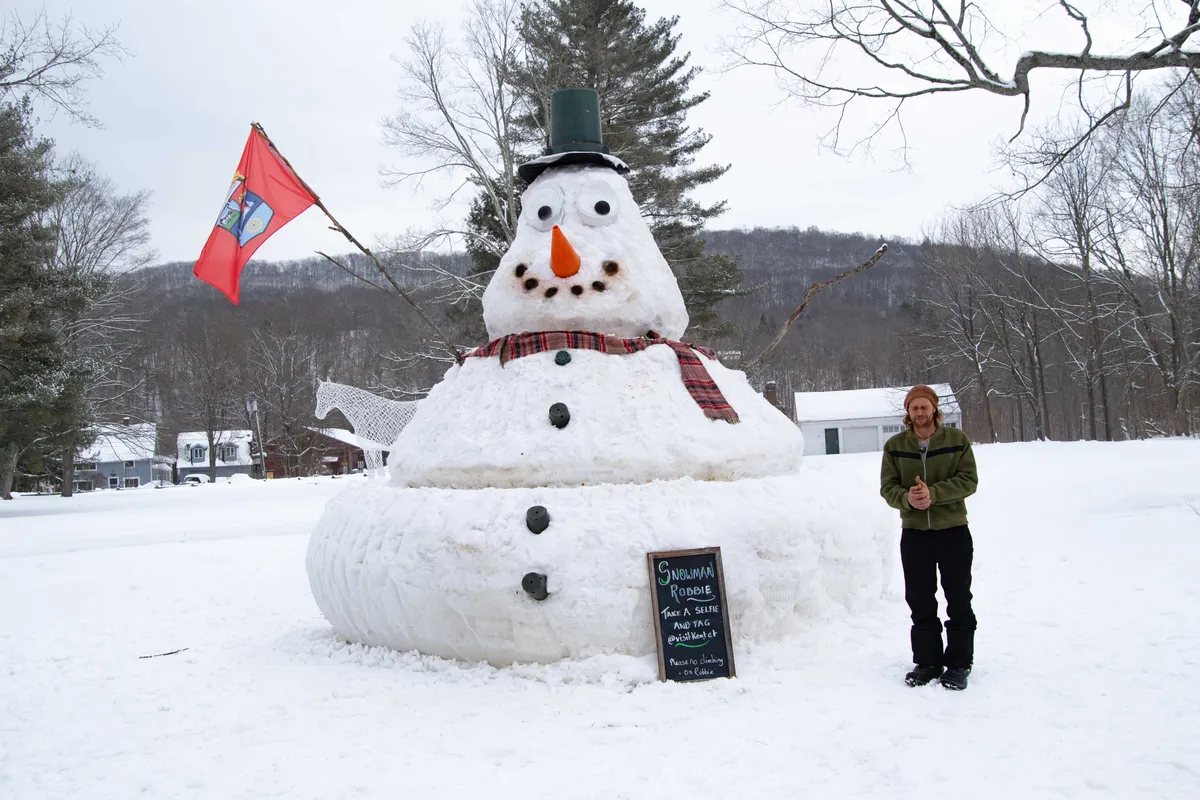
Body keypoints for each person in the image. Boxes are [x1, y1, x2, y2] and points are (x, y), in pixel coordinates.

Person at [880, 385, 979, 690]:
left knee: (958, 598)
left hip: (953, 530)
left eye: (924, 406)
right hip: (914, 534)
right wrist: (907, 498)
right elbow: (888, 487)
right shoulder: (895, 446)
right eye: (914, 408)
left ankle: (959, 664)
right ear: (907, 413)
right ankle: (927, 662)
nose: (919, 412)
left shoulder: (957, 441)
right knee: (920, 599)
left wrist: (933, 494)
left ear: (935, 409)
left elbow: (969, 480)